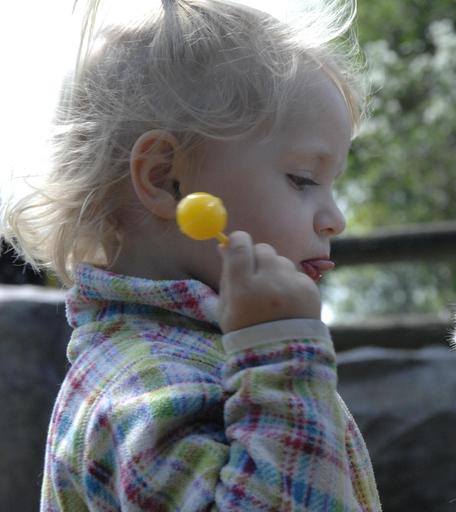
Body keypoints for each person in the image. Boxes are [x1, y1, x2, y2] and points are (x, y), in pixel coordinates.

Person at [0, 0, 380, 509]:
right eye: (303, 180)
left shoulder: (198, 355)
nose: (335, 218)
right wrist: (284, 357)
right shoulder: (145, 387)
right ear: (167, 180)